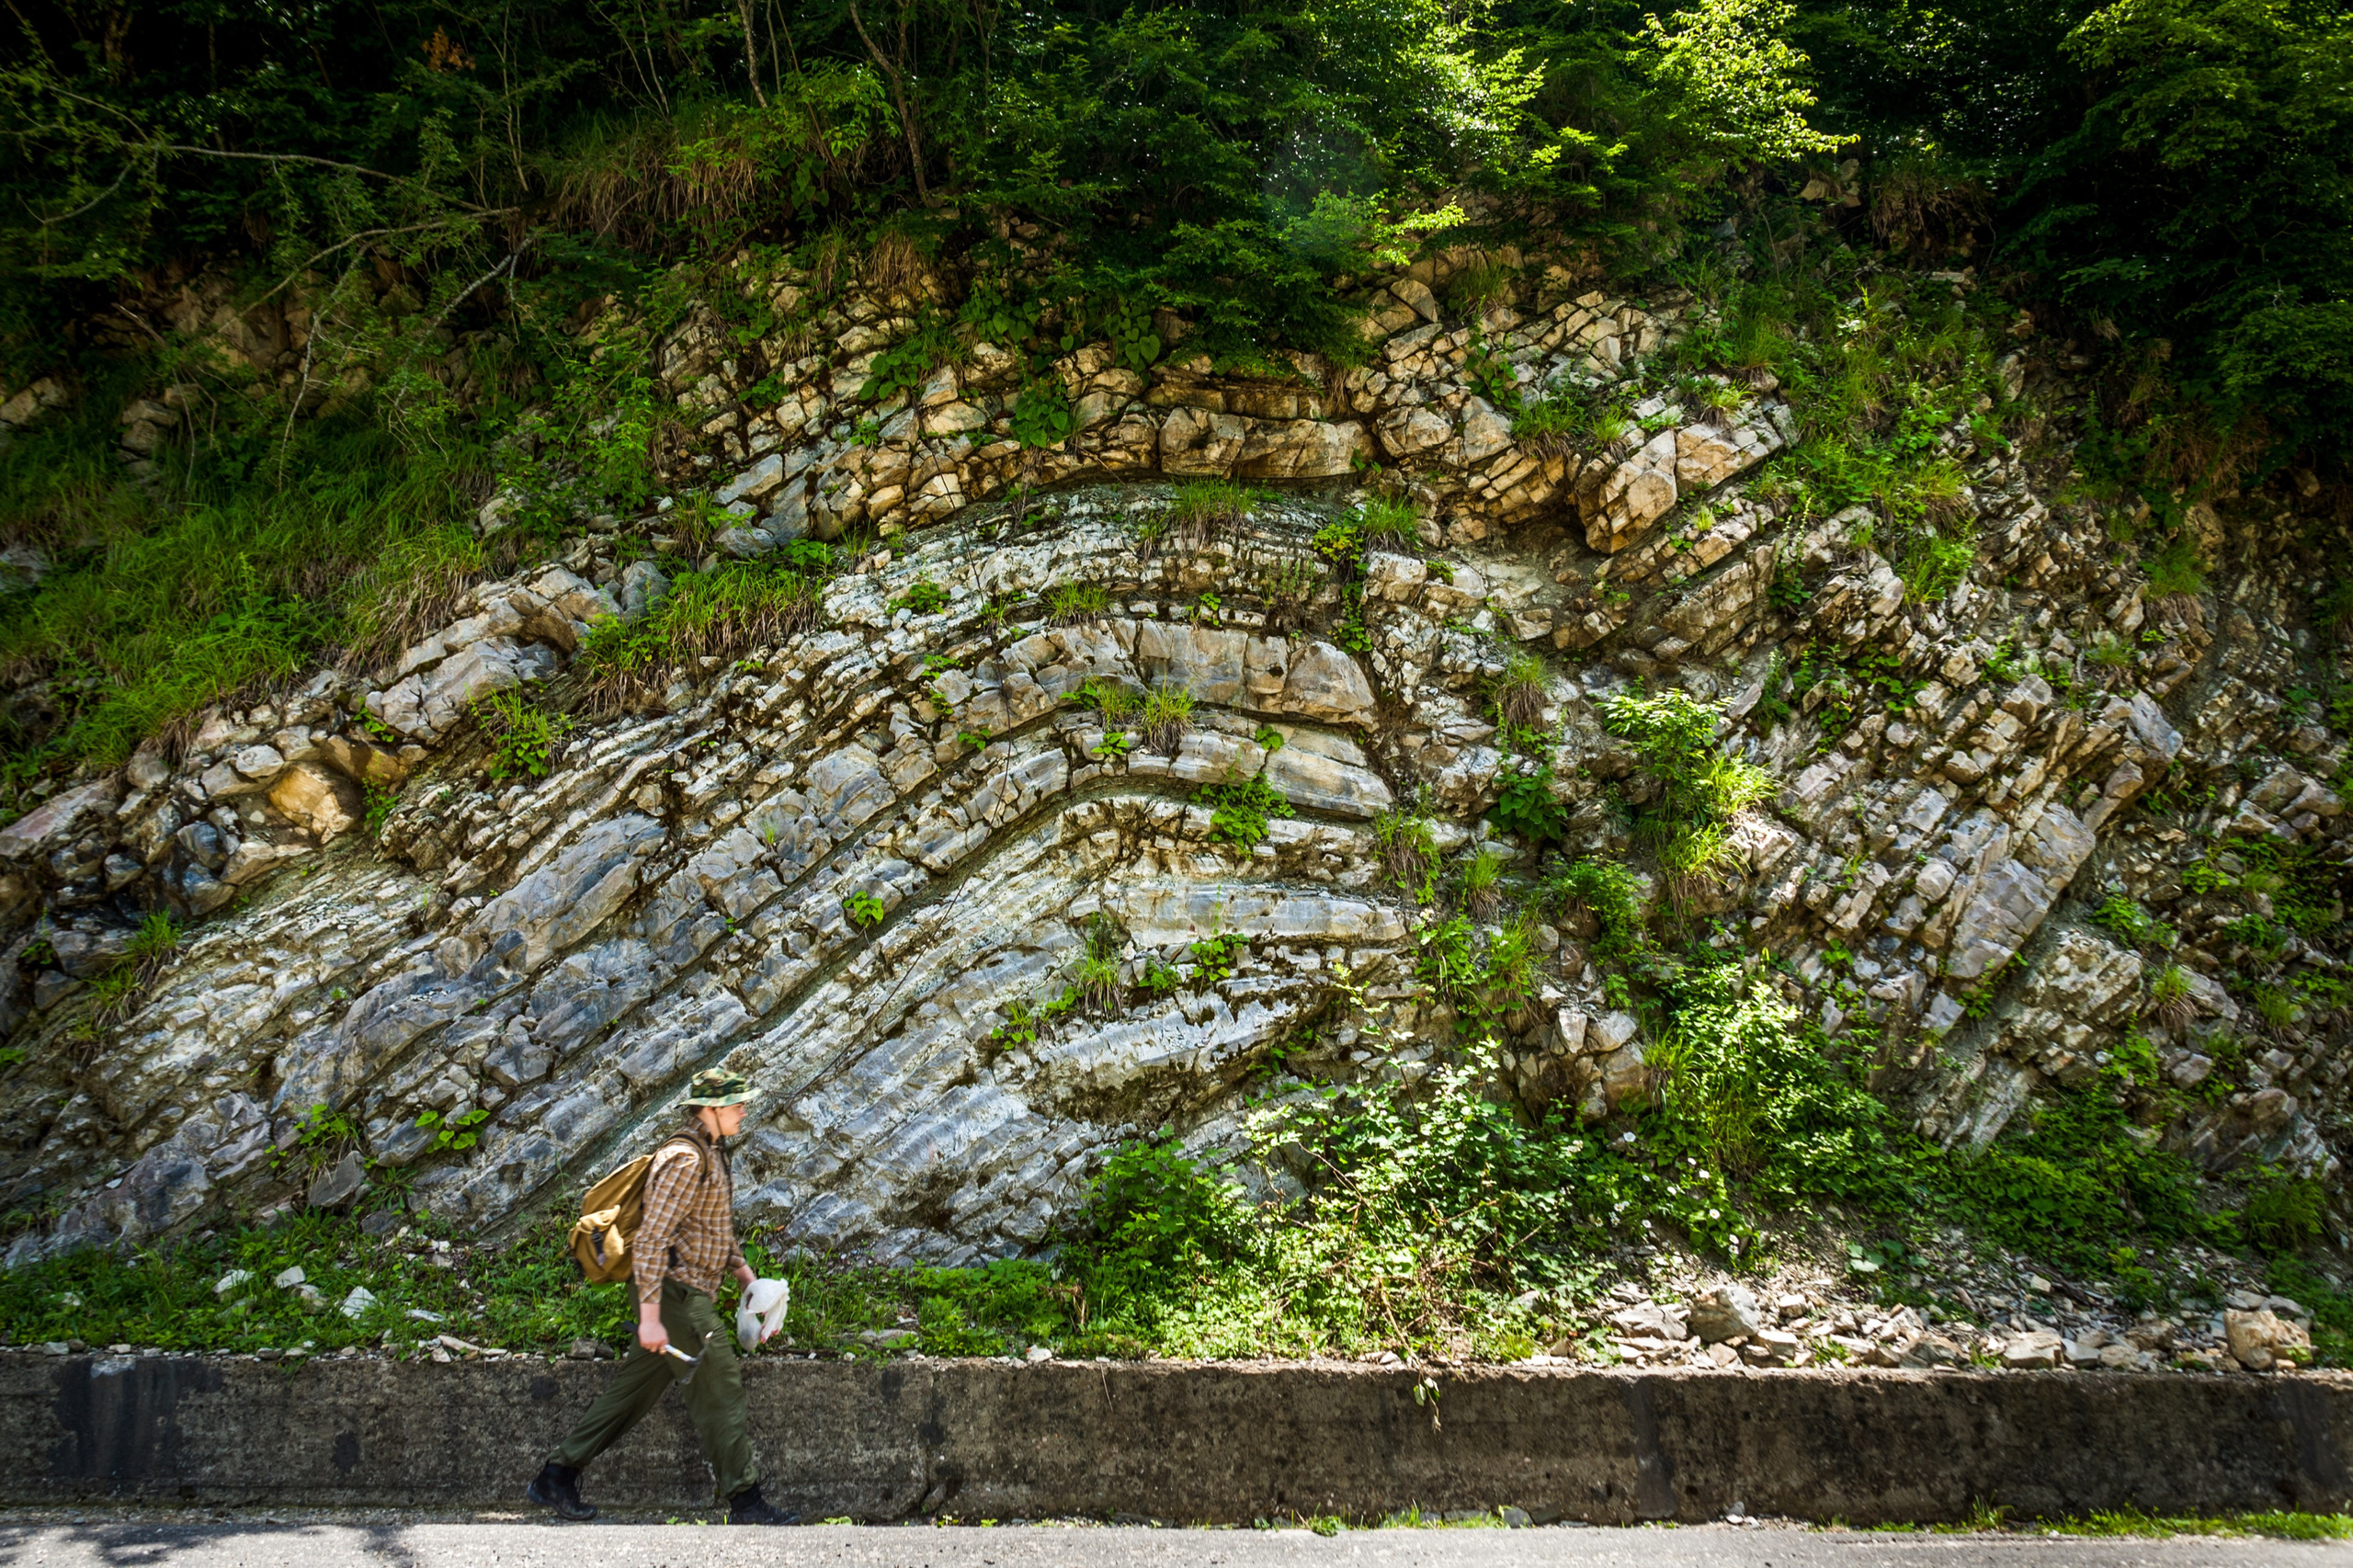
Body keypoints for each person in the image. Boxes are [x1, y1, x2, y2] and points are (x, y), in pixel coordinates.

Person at [527, 1069, 794, 1525]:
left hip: (683, 1292)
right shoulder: (683, 1159)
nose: (743, 1110)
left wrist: (748, 1281)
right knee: (720, 1382)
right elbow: (651, 1242)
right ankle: (746, 1501)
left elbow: (715, 1231)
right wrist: (650, 1319)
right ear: (709, 1110)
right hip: (674, 1294)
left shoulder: (712, 1151)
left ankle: (557, 1474)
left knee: (632, 1392)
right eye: (735, 1104)